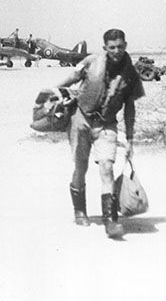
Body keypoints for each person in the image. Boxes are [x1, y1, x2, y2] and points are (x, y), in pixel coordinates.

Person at [55, 28, 144, 238]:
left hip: (107, 125)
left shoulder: (130, 73)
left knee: (106, 168)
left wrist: (130, 138)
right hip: (82, 120)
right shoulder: (91, 62)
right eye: (112, 47)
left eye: (120, 47)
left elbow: (130, 107)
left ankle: (110, 221)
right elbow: (69, 79)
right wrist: (53, 94)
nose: (116, 51)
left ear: (126, 46)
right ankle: (79, 210)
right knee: (80, 167)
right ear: (105, 48)